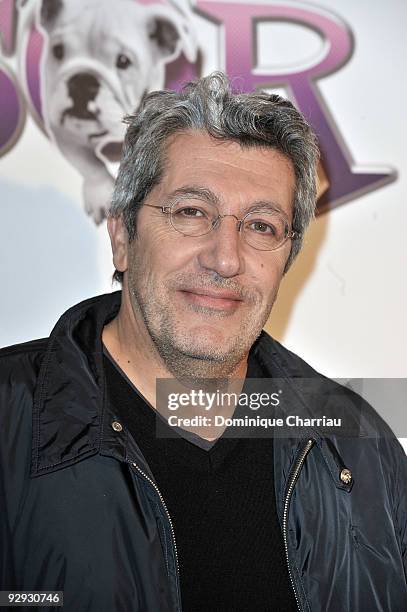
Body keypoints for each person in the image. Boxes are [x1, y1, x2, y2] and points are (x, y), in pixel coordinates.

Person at [0, 72, 406, 612]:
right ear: (122, 236)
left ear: (287, 257)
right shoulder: (8, 418)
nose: (225, 258)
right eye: (191, 212)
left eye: (261, 225)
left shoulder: (359, 443)